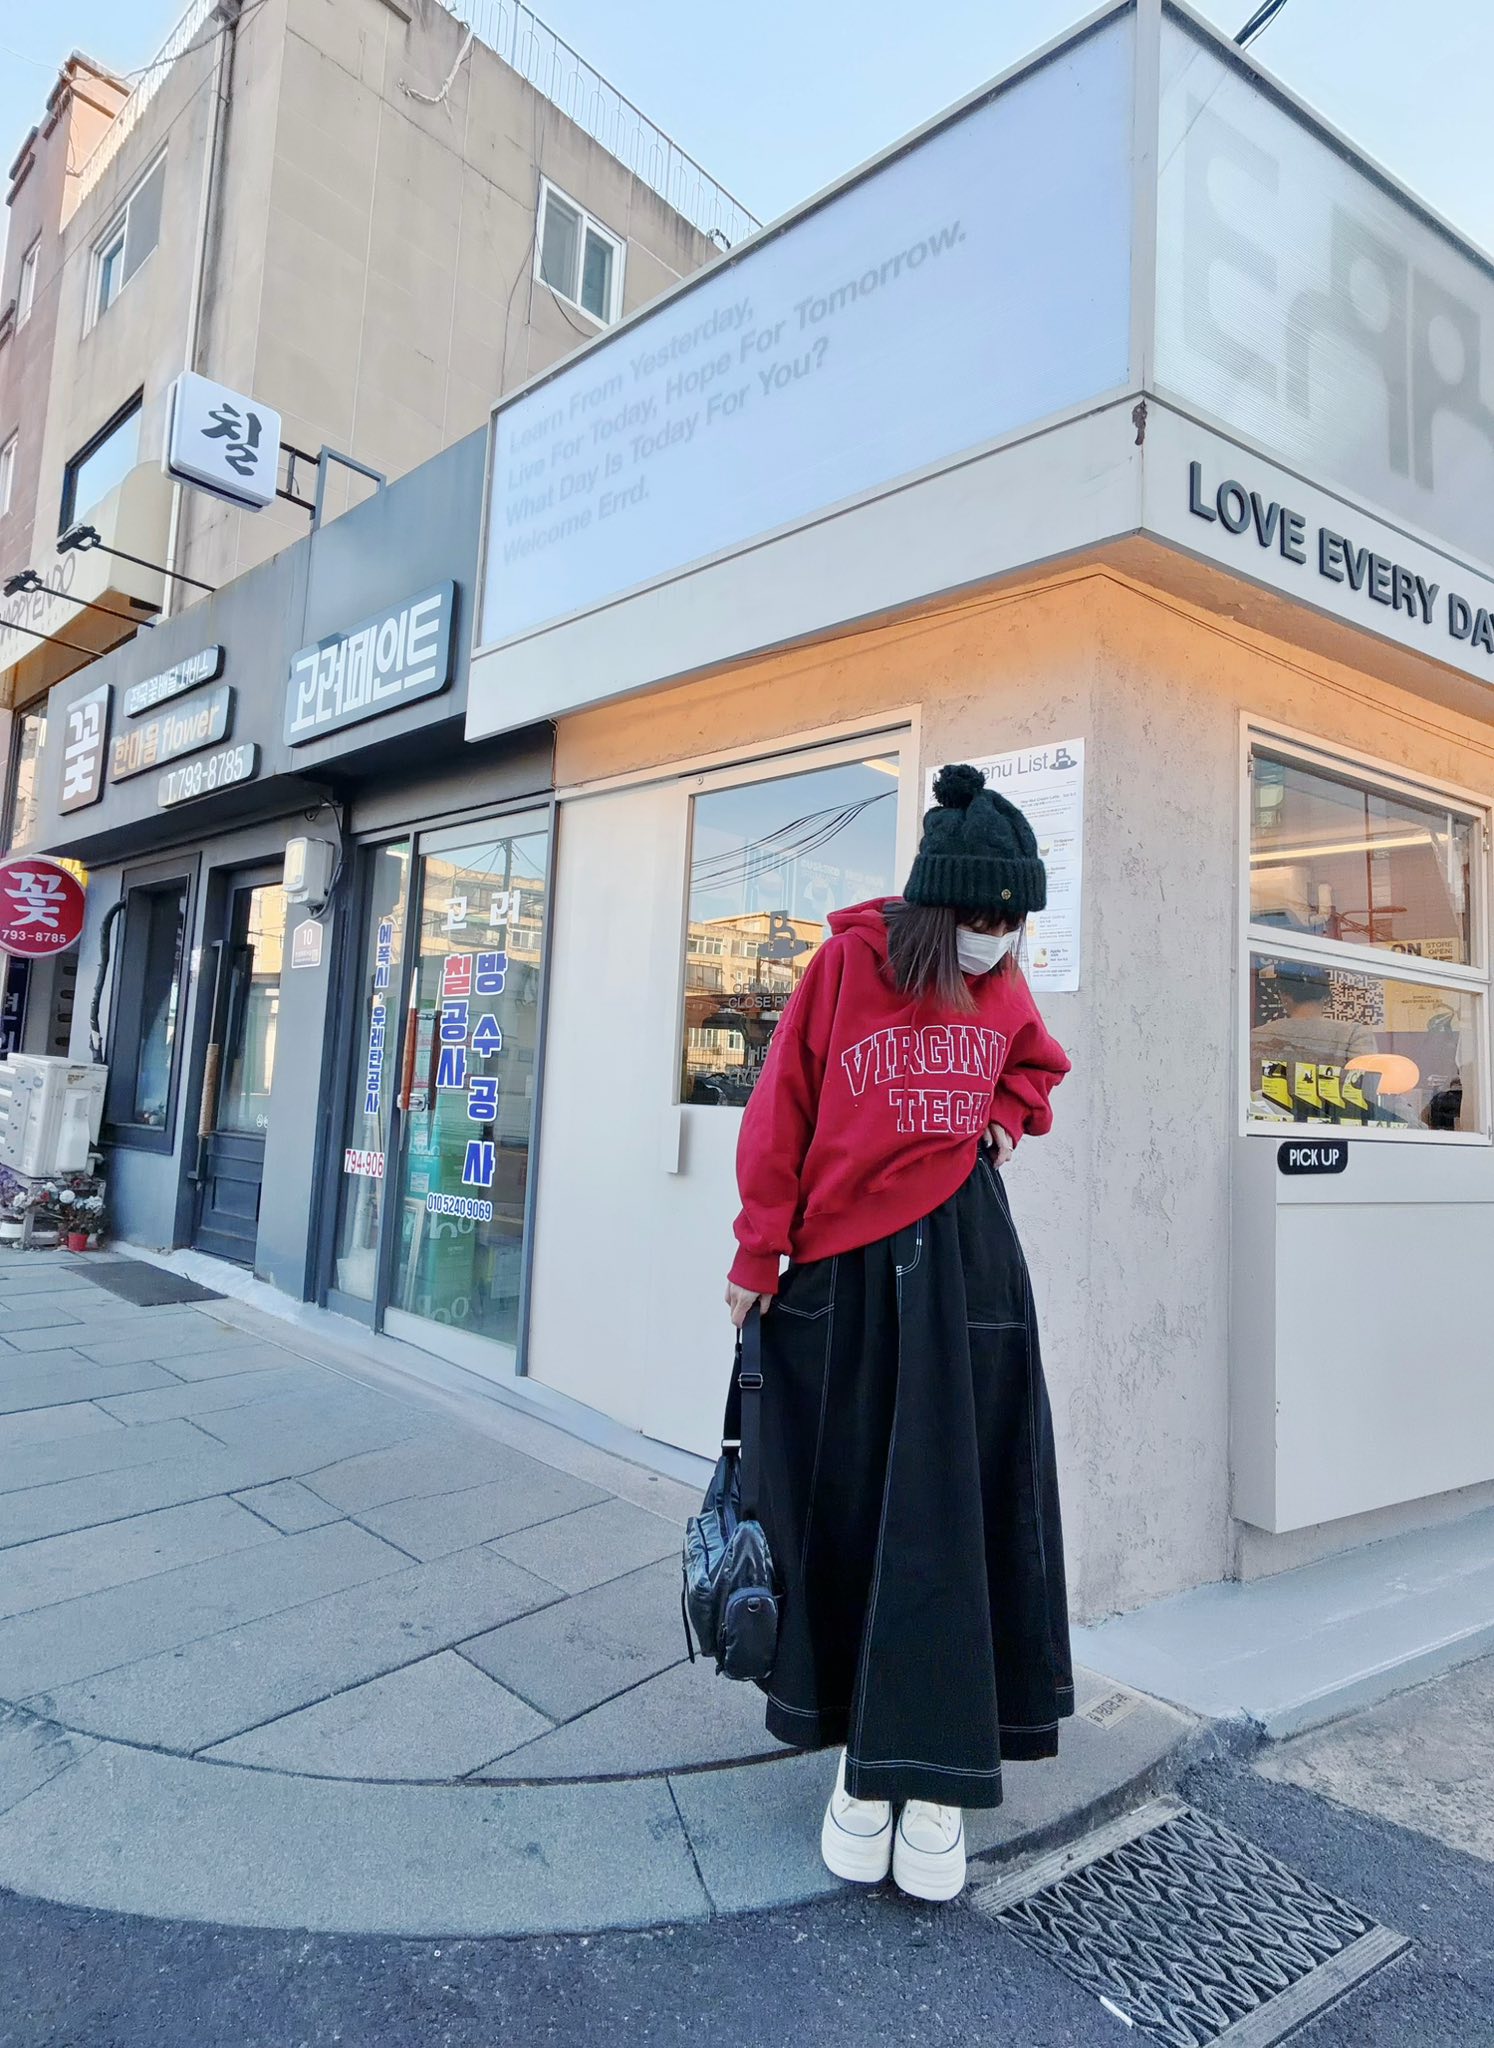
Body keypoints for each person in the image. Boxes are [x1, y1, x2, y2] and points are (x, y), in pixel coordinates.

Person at [723, 763, 1072, 1903]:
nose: (997, 939)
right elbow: (781, 1110)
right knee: (857, 1507)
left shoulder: (1002, 983)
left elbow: (1037, 1066)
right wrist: (757, 1254)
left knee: (955, 1514)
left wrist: (1007, 1119)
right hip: (848, 1273)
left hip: (968, 1263)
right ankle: (863, 1769)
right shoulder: (845, 967)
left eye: (1012, 922)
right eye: (982, 919)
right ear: (936, 907)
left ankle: (936, 1785)